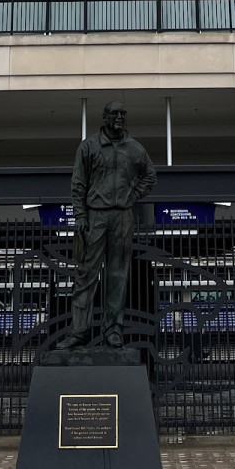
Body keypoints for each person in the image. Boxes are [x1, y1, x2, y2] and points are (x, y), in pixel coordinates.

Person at [57, 100, 156, 349]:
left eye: (123, 113)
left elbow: (150, 176)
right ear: (104, 117)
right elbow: (78, 184)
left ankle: (113, 330)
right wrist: (80, 216)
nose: (119, 118)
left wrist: (131, 197)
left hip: (122, 218)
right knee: (85, 275)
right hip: (95, 217)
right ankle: (79, 331)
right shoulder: (89, 147)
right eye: (114, 114)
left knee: (117, 276)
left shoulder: (134, 149)